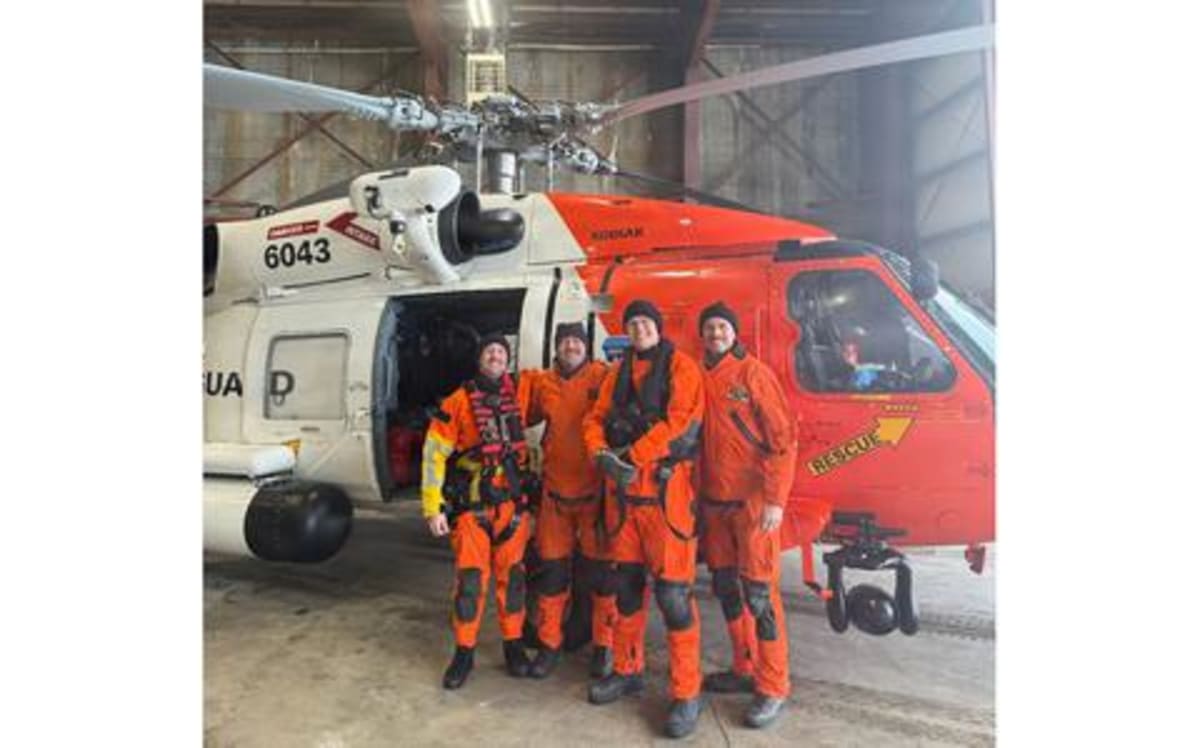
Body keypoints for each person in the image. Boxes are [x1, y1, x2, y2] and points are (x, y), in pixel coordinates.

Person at [583, 300, 707, 739]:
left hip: (665, 497)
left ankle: (687, 693)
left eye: (645, 323)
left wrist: (631, 456)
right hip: (625, 500)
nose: (639, 330)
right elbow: (595, 418)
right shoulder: (616, 374)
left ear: (657, 327)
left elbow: (680, 424)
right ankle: (628, 669)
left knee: (674, 599)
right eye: (632, 324)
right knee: (627, 591)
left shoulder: (682, 369)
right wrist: (598, 452)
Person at [694, 302, 798, 728]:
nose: (716, 333)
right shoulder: (697, 373)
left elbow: (784, 439)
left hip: (753, 504)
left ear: (734, 332)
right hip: (715, 503)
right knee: (725, 587)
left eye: (723, 326)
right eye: (710, 327)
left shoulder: (754, 374)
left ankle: (773, 686)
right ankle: (744, 666)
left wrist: (775, 500)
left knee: (760, 596)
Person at [421, 332, 537, 690]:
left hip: (513, 509)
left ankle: (513, 645)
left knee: (514, 582)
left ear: (508, 359)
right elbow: (433, 455)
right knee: (470, 585)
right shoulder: (457, 402)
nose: (496, 356)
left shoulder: (519, 392)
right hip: (472, 510)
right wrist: (432, 507)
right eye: (490, 351)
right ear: (479, 358)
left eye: (501, 352)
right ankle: (464, 652)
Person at [526, 322, 616, 679]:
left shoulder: (604, 377)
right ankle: (549, 646)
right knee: (552, 575)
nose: (571, 347)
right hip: (554, 497)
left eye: (577, 341)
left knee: (601, 579)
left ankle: (604, 647)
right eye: (565, 342)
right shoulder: (543, 384)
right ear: (557, 347)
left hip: (594, 497)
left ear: (586, 346)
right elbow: (516, 412)